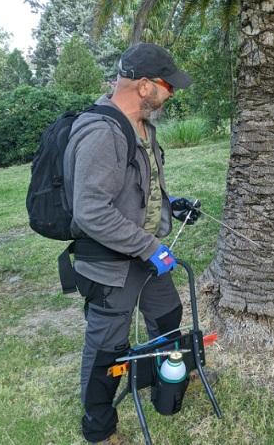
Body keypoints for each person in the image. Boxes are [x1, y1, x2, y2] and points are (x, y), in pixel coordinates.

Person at [63, 43, 201, 444]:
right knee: (107, 348)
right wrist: (148, 247)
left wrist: (171, 206)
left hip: (142, 254)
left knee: (168, 316)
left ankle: (165, 385)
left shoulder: (143, 127)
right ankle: (99, 429)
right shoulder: (100, 131)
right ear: (144, 85)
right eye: (167, 86)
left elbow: (142, 189)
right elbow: (91, 211)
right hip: (109, 263)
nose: (171, 94)